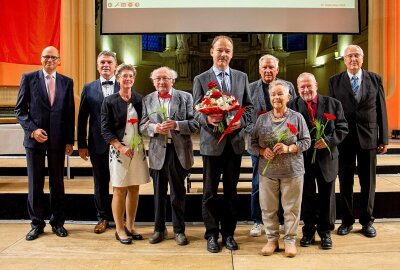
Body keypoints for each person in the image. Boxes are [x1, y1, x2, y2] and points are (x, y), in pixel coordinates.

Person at [193, 35, 253, 253]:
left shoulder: (241, 77)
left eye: (227, 51)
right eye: (219, 50)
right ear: (211, 52)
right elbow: (195, 111)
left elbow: (248, 107)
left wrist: (241, 123)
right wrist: (208, 119)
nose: (223, 54)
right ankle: (211, 235)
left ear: (232, 54)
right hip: (212, 145)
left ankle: (229, 234)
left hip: (234, 144)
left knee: (231, 193)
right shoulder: (201, 79)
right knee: (209, 193)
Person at [15, 46, 75, 241]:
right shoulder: (28, 78)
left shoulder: (67, 82)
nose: (50, 60)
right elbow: (20, 110)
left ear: (59, 60)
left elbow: (69, 113)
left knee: (57, 183)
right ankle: (36, 224)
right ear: (41, 59)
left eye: (53, 57)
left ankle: (58, 223)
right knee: (35, 183)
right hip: (35, 140)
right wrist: (33, 130)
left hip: (58, 141)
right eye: (46, 57)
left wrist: (69, 140)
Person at [329, 45, 388, 238]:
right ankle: (346, 221)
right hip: (344, 140)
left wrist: (384, 138)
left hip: (369, 138)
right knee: (345, 182)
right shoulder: (334, 81)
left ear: (362, 58)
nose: (353, 59)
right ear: (344, 60)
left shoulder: (375, 79)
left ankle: (367, 221)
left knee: (368, 183)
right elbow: (331, 114)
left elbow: (381, 110)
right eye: (349, 56)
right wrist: (332, 139)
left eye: (357, 55)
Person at [139, 67, 199, 246]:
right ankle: (159, 229)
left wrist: (177, 125)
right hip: (158, 152)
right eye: (158, 79)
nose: (161, 82)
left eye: (165, 78)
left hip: (178, 152)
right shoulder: (147, 99)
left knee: (177, 195)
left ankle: (179, 230)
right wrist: (154, 128)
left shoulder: (185, 97)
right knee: (158, 194)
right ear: (153, 82)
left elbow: (195, 124)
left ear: (173, 80)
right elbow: (142, 125)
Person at [251, 80, 310, 257]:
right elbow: (251, 144)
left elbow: (306, 141)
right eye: (273, 94)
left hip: (292, 171)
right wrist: (262, 151)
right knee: (268, 208)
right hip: (268, 172)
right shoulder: (261, 119)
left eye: (280, 94)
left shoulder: (297, 117)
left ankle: (290, 240)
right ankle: (272, 240)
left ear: (288, 97)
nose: (276, 97)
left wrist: (288, 148)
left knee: (291, 208)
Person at [289, 72, 348, 249]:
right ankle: (308, 231)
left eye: (309, 85)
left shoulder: (333, 104)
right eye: (302, 87)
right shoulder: (291, 106)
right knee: (306, 196)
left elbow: (342, 128)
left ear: (316, 85)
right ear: (297, 89)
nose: (306, 89)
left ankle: (325, 233)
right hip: (302, 159)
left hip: (326, 158)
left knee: (326, 197)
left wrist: (328, 141)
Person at [246, 54, 297, 237]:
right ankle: (258, 221)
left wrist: (286, 139)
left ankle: (282, 221)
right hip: (260, 147)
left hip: (284, 145)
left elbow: (294, 114)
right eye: (264, 68)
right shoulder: (250, 88)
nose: (268, 71)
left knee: (284, 184)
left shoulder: (288, 86)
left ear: (277, 69)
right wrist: (261, 140)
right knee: (258, 184)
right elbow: (247, 119)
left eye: (271, 67)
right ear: (259, 70)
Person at [101, 64, 150, 245]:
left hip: (137, 149)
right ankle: (119, 228)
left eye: (130, 76)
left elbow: (145, 123)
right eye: (124, 76)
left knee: (135, 188)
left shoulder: (139, 99)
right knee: (120, 189)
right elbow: (105, 130)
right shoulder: (110, 101)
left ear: (134, 79)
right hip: (119, 149)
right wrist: (120, 147)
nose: (127, 79)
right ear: (118, 78)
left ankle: (131, 225)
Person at [77, 50, 117, 234]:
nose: (106, 65)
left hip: (120, 145)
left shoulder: (125, 85)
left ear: (115, 65)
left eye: (109, 62)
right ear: (97, 66)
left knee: (121, 183)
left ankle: (121, 217)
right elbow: (82, 117)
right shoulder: (88, 87)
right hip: (97, 143)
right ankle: (102, 218)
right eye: (102, 62)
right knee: (100, 182)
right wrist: (82, 144)